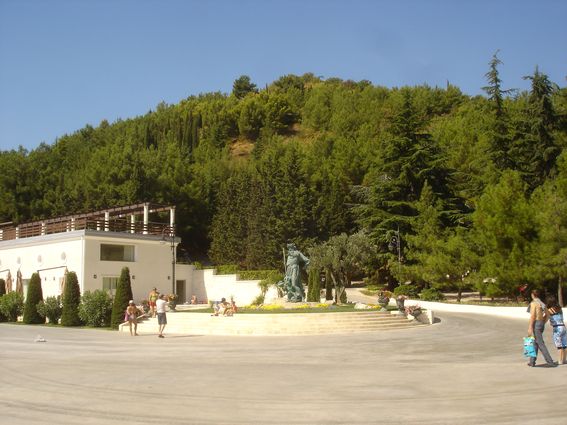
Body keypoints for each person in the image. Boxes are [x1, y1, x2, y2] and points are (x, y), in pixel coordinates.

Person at [527, 289, 557, 367]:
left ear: (532, 295)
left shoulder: (533, 303)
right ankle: (532, 361)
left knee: (540, 343)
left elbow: (533, 316)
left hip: (536, 323)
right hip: (540, 323)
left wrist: (530, 327)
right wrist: (543, 322)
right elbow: (548, 314)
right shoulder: (542, 303)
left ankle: (550, 362)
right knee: (535, 342)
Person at [546, 295, 566, 365]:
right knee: (565, 344)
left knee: (559, 346)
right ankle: (564, 360)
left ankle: (560, 361)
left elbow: (545, 318)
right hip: (563, 327)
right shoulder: (560, 309)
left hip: (557, 328)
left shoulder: (550, 310)